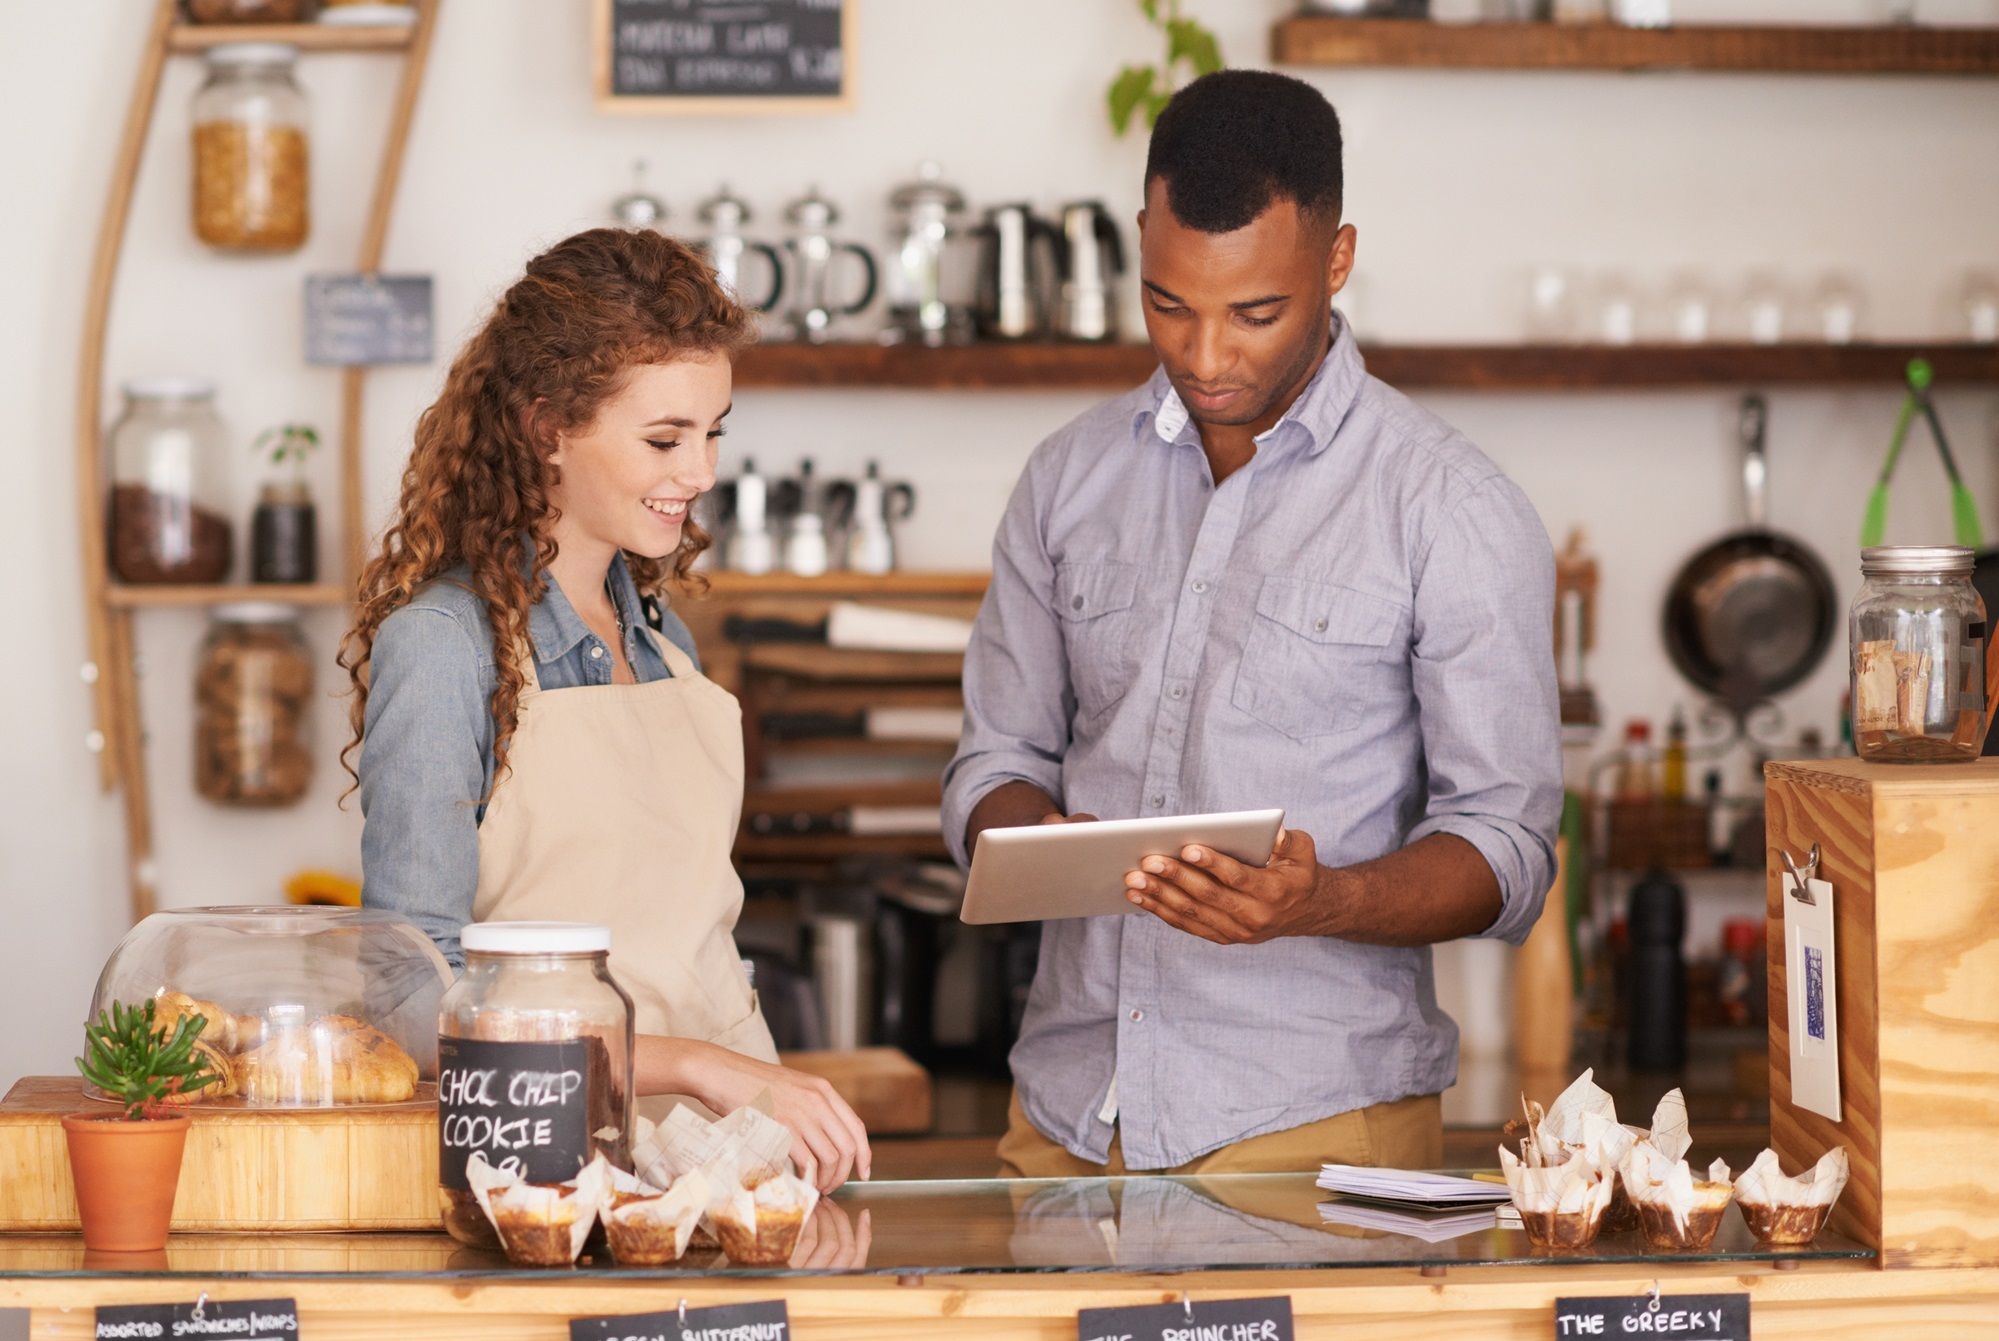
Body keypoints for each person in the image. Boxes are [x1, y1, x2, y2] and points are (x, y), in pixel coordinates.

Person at [943, 70, 1562, 1177]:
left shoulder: (1452, 511)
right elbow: (996, 761)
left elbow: (1507, 847)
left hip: (1317, 1134)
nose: (1205, 356)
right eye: (1168, 303)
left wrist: (1323, 900)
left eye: (1255, 312)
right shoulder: (1064, 482)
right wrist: (1041, 843)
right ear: (1142, 239)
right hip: (1064, 1124)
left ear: (1336, 261)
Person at [344, 228, 869, 1192]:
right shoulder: (448, 645)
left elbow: (691, 940)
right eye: (665, 439)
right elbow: (411, 998)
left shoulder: (669, 645)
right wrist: (698, 1065)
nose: (701, 471)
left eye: (712, 433)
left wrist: (756, 1091)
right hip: (546, 1170)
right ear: (548, 428)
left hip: (728, 1161)